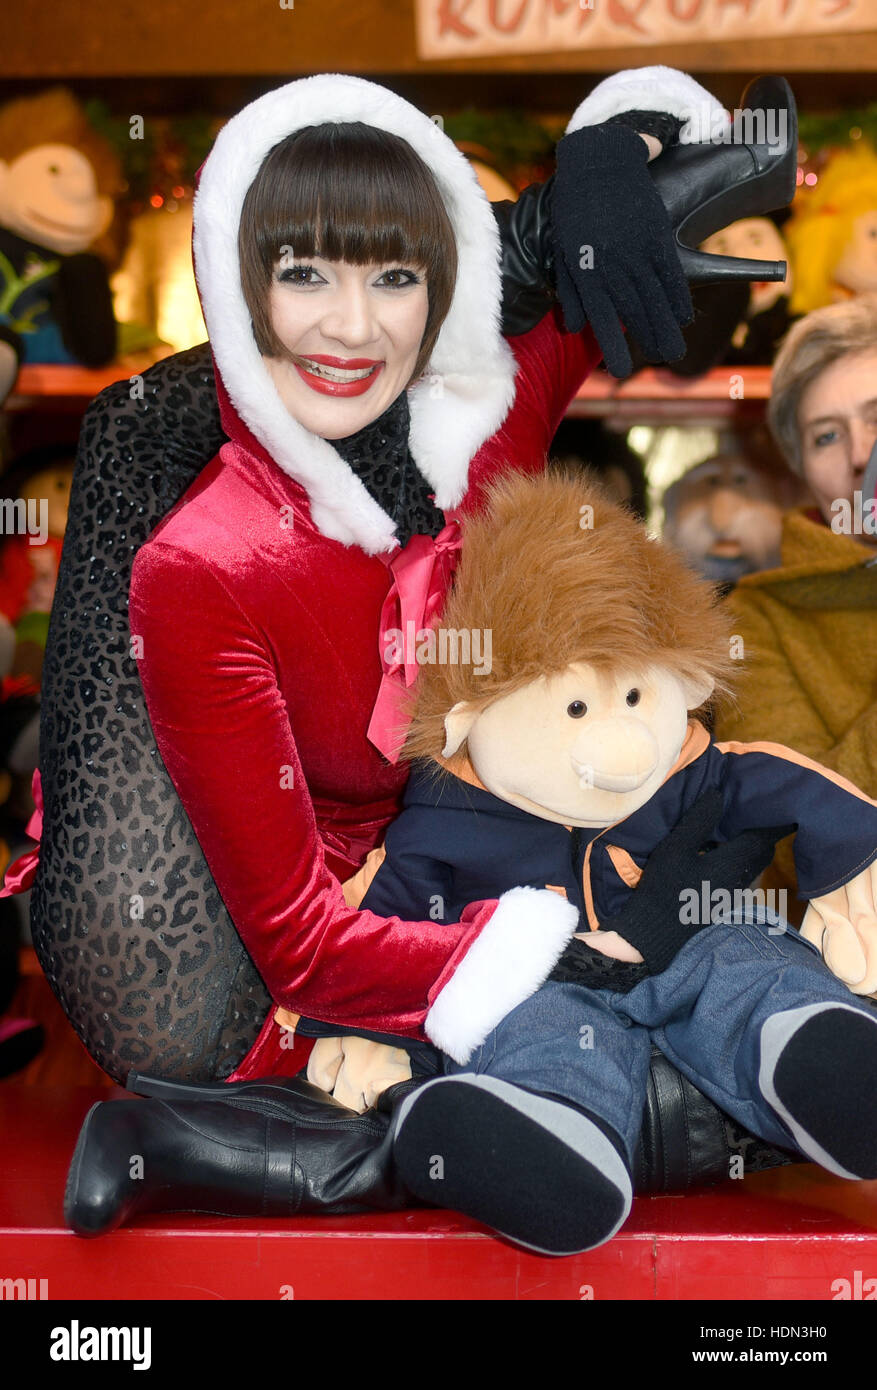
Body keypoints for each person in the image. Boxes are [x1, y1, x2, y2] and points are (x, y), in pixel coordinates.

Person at [13, 71, 803, 1236]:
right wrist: (543, 957)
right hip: (282, 946)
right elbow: (299, 940)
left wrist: (600, 151)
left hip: (505, 865)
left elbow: (684, 170)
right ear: (241, 289)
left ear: (444, 288)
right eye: (303, 275)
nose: (353, 325)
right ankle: (378, 1118)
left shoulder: (484, 404)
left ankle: (361, 1138)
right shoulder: (202, 564)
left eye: (395, 276)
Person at [715, 295, 877, 994]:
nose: (861, 455)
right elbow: (790, 847)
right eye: (824, 436)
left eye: (876, 417)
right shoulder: (759, 616)